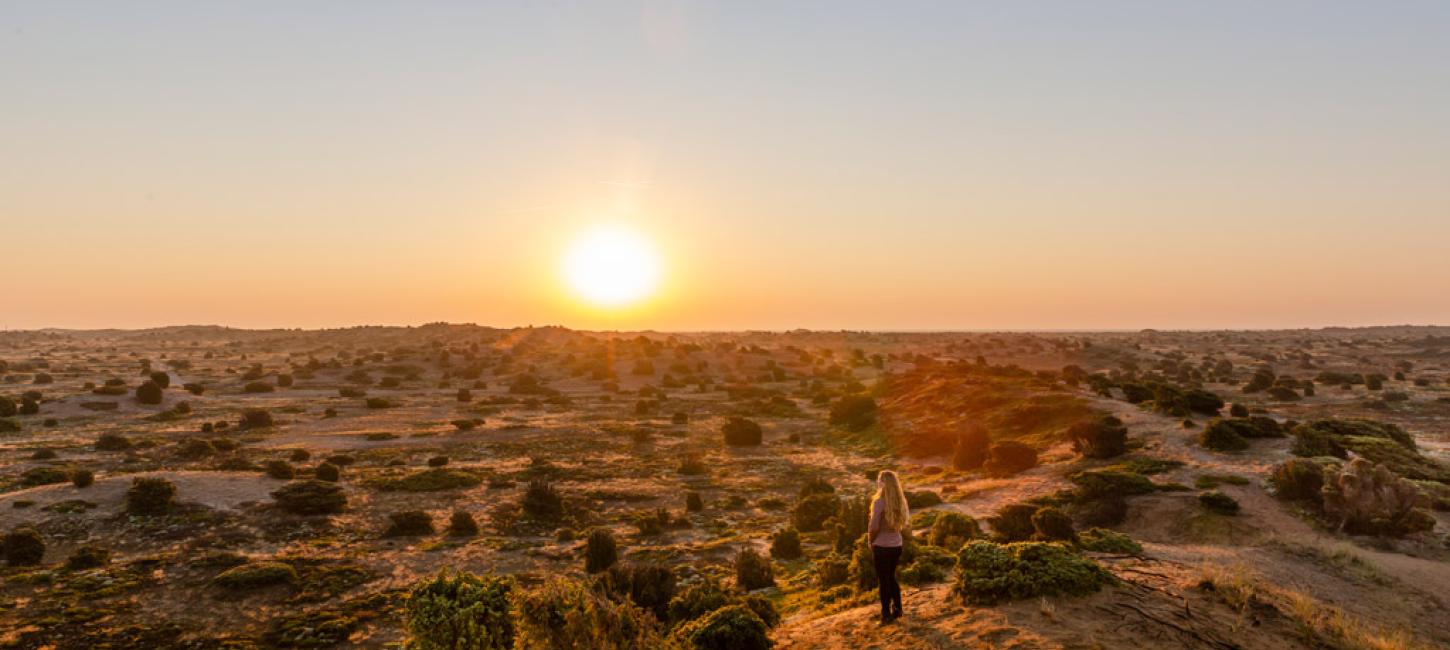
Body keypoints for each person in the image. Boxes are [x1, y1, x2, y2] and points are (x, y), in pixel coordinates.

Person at [867, 469, 910, 624]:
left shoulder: (879, 502)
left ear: (882, 483)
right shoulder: (901, 501)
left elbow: (873, 527)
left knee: (883, 580)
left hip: (882, 546)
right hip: (896, 545)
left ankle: (885, 614)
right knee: (891, 577)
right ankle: (898, 609)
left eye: (879, 480)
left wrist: (870, 540)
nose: (878, 483)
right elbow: (903, 525)